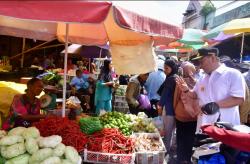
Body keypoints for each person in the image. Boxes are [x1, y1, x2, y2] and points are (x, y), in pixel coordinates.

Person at [176, 47, 245, 134]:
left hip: (225, 129)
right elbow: (195, 94)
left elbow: (239, 99)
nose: (200, 66)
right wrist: (186, 90)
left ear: (212, 57)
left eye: (202, 62)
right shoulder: (203, 78)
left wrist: (213, 106)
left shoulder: (232, 74)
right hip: (204, 126)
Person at [174, 61, 199, 164]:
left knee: (180, 137)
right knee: (190, 138)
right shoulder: (198, 82)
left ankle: (180, 158)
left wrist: (175, 110)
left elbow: (175, 99)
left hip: (180, 116)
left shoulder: (181, 82)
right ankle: (187, 159)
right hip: (194, 117)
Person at [158, 59, 178, 153]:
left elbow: (165, 94)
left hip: (169, 108)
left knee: (167, 131)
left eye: (167, 68)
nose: (165, 70)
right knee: (172, 130)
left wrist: (160, 105)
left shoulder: (170, 79)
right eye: (164, 68)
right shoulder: (176, 77)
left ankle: (165, 150)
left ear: (172, 68)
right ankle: (170, 147)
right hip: (176, 109)